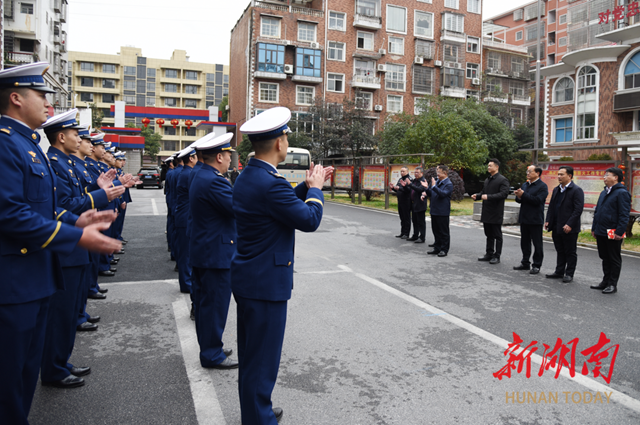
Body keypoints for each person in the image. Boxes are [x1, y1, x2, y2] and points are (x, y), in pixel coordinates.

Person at [0, 61, 121, 425]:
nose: (47, 104)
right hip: (14, 283)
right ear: (17, 98)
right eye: (41, 95)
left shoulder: (26, 145)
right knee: (9, 381)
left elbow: (46, 208)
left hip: (33, 278)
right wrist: (76, 234)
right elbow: (10, 213)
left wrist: (76, 220)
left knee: (23, 376)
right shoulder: (7, 145)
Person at [233, 107, 332, 425]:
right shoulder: (269, 183)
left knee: (252, 356)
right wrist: (316, 190)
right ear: (278, 143)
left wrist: (304, 188)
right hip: (265, 284)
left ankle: (255, 410)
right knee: (262, 360)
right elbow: (308, 220)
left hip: (250, 278)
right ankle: (259, 418)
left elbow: (281, 202)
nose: (287, 141)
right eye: (286, 136)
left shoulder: (251, 176)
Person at [190, 133, 238, 369]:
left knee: (206, 305)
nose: (230, 159)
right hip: (215, 254)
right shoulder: (214, 180)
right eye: (228, 155)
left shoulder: (201, 174)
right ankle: (211, 354)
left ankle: (212, 346)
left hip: (205, 250)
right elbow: (235, 209)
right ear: (219, 156)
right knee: (213, 307)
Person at [589, 167, 631, 294]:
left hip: (613, 231)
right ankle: (605, 281)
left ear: (616, 177)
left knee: (613, 258)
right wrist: (594, 228)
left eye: (607, 175)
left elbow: (624, 214)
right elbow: (598, 212)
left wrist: (619, 231)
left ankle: (613, 284)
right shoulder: (604, 192)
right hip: (601, 230)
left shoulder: (622, 193)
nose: (605, 177)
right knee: (604, 257)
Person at [544, 166, 584, 283]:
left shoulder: (576, 190)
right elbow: (551, 206)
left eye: (562, 174)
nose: (559, 177)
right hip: (556, 225)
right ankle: (559, 271)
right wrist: (548, 220)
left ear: (570, 176)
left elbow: (578, 210)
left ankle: (569, 273)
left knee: (570, 251)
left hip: (569, 227)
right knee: (560, 250)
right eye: (558, 174)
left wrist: (570, 224)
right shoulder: (557, 189)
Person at [472, 158, 510, 264]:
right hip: (486, 211)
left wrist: (487, 197)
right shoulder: (488, 179)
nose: (488, 167)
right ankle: (489, 253)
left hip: (496, 212)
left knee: (497, 235)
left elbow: (503, 194)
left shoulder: (502, 180)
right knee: (488, 234)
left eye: (490, 165)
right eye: (488, 165)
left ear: (497, 167)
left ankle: (497, 256)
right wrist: (477, 196)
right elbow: (484, 192)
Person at [513, 165, 549, 274]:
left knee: (537, 244)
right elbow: (519, 200)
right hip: (524, 218)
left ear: (537, 173)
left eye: (530, 171)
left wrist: (523, 195)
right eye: (527, 171)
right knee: (524, 242)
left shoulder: (542, 186)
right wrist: (518, 196)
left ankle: (536, 265)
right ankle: (525, 262)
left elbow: (537, 200)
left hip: (535, 219)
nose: (527, 173)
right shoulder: (525, 184)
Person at [174, 147, 197, 296]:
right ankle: (186, 283)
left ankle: (186, 282)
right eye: (195, 157)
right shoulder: (188, 174)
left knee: (186, 252)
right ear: (191, 159)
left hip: (183, 215)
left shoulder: (185, 173)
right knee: (186, 254)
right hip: (185, 217)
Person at [422, 165, 453, 256]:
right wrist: (427, 188)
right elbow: (432, 194)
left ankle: (444, 249)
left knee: (443, 232)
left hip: (442, 211)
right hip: (434, 210)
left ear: (445, 173)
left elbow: (442, 194)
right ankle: (437, 247)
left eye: (439, 172)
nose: (437, 174)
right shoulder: (438, 182)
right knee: (435, 230)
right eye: (437, 172)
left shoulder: (448, 184)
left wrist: (434, 186)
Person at [402, 167, 427, 243]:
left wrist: (410, 184)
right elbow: (410, 190)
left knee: (421, 222)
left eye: (417, 172)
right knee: (414, 221)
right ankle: (415, 235)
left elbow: (419, 189)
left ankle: (422, 237)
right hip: (413, 203)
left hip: (420, 204)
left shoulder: (423, 181)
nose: (416, 174)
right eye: (415, 172)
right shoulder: (414, 181)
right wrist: (406, 186)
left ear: (421, 173)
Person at [389, 167, 412, 239]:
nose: (402, 172)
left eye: (403, 171)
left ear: (407, 171)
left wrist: (401, 188)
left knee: (406, 218)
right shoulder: (400, 179)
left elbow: (408, 190)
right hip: (400, 201)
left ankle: (406, 233)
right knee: (402, 218)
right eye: (401, 171)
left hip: (406, 201)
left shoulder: (409, 179)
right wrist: (393, 188)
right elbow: (398, 190)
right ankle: (402, 232)